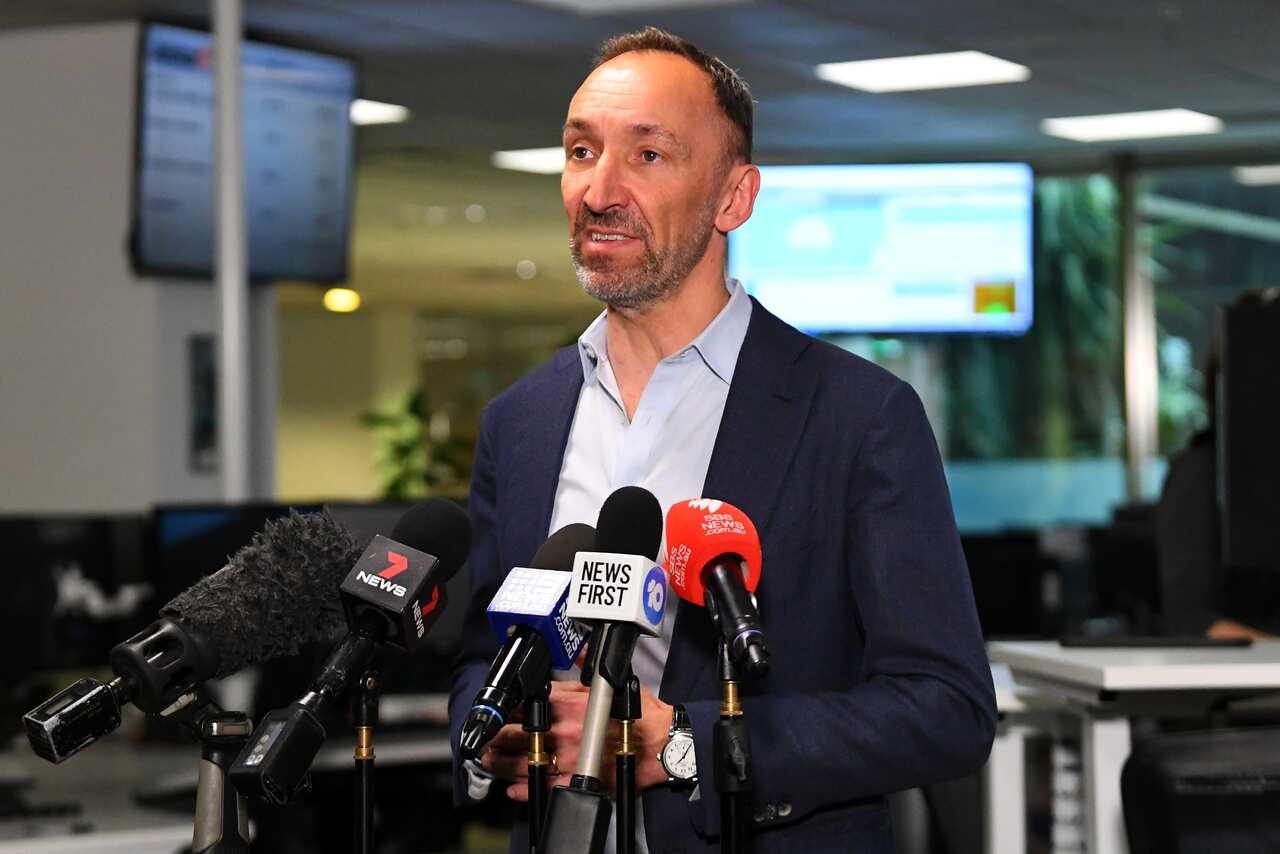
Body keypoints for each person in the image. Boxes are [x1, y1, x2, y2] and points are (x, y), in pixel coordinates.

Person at [448, 27, 996, 853]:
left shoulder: (856, 415)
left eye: (649, 157)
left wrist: (682, 745)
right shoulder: (519, 421)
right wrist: (493, 732)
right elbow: (475, 660)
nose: (600, 190)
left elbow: (944, 709)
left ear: (734, 198)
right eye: (581, 150)